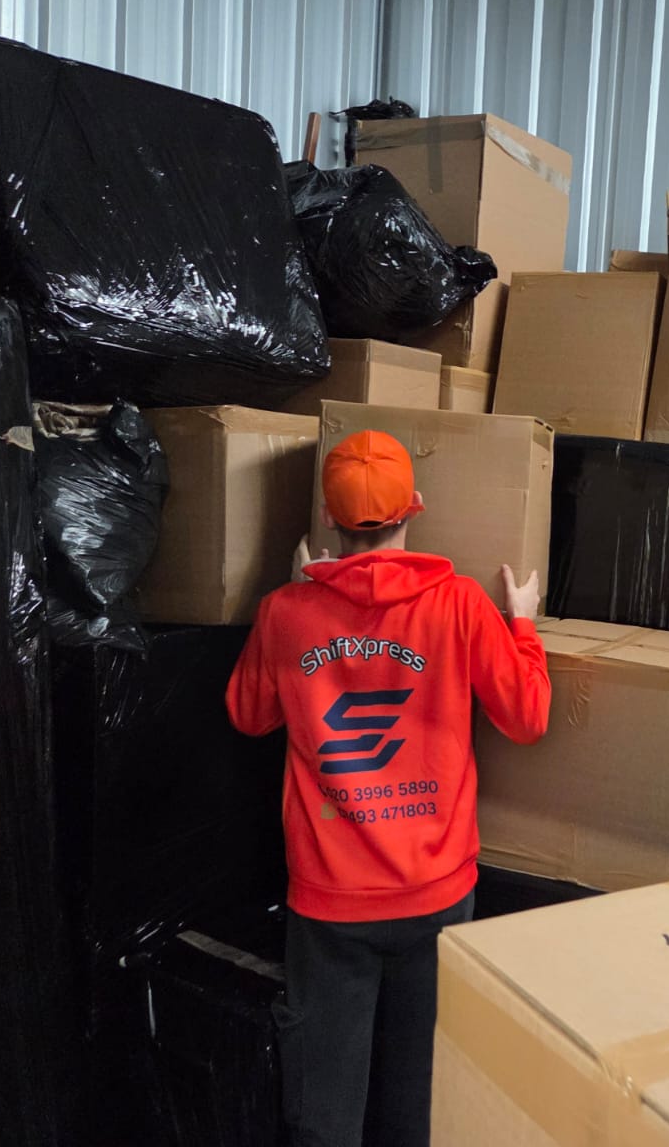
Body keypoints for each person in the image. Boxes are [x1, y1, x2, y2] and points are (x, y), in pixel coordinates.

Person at [225, 429, 549, 1147]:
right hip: (438, 895)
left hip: (329, 902)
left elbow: (248, 716)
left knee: (323, 1114)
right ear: (416, 506)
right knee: (418, 1103)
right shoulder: (461, 604)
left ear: (328, 519)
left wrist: (295, 595)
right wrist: (523, 622)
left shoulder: (286, 613)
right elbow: (527, 717)